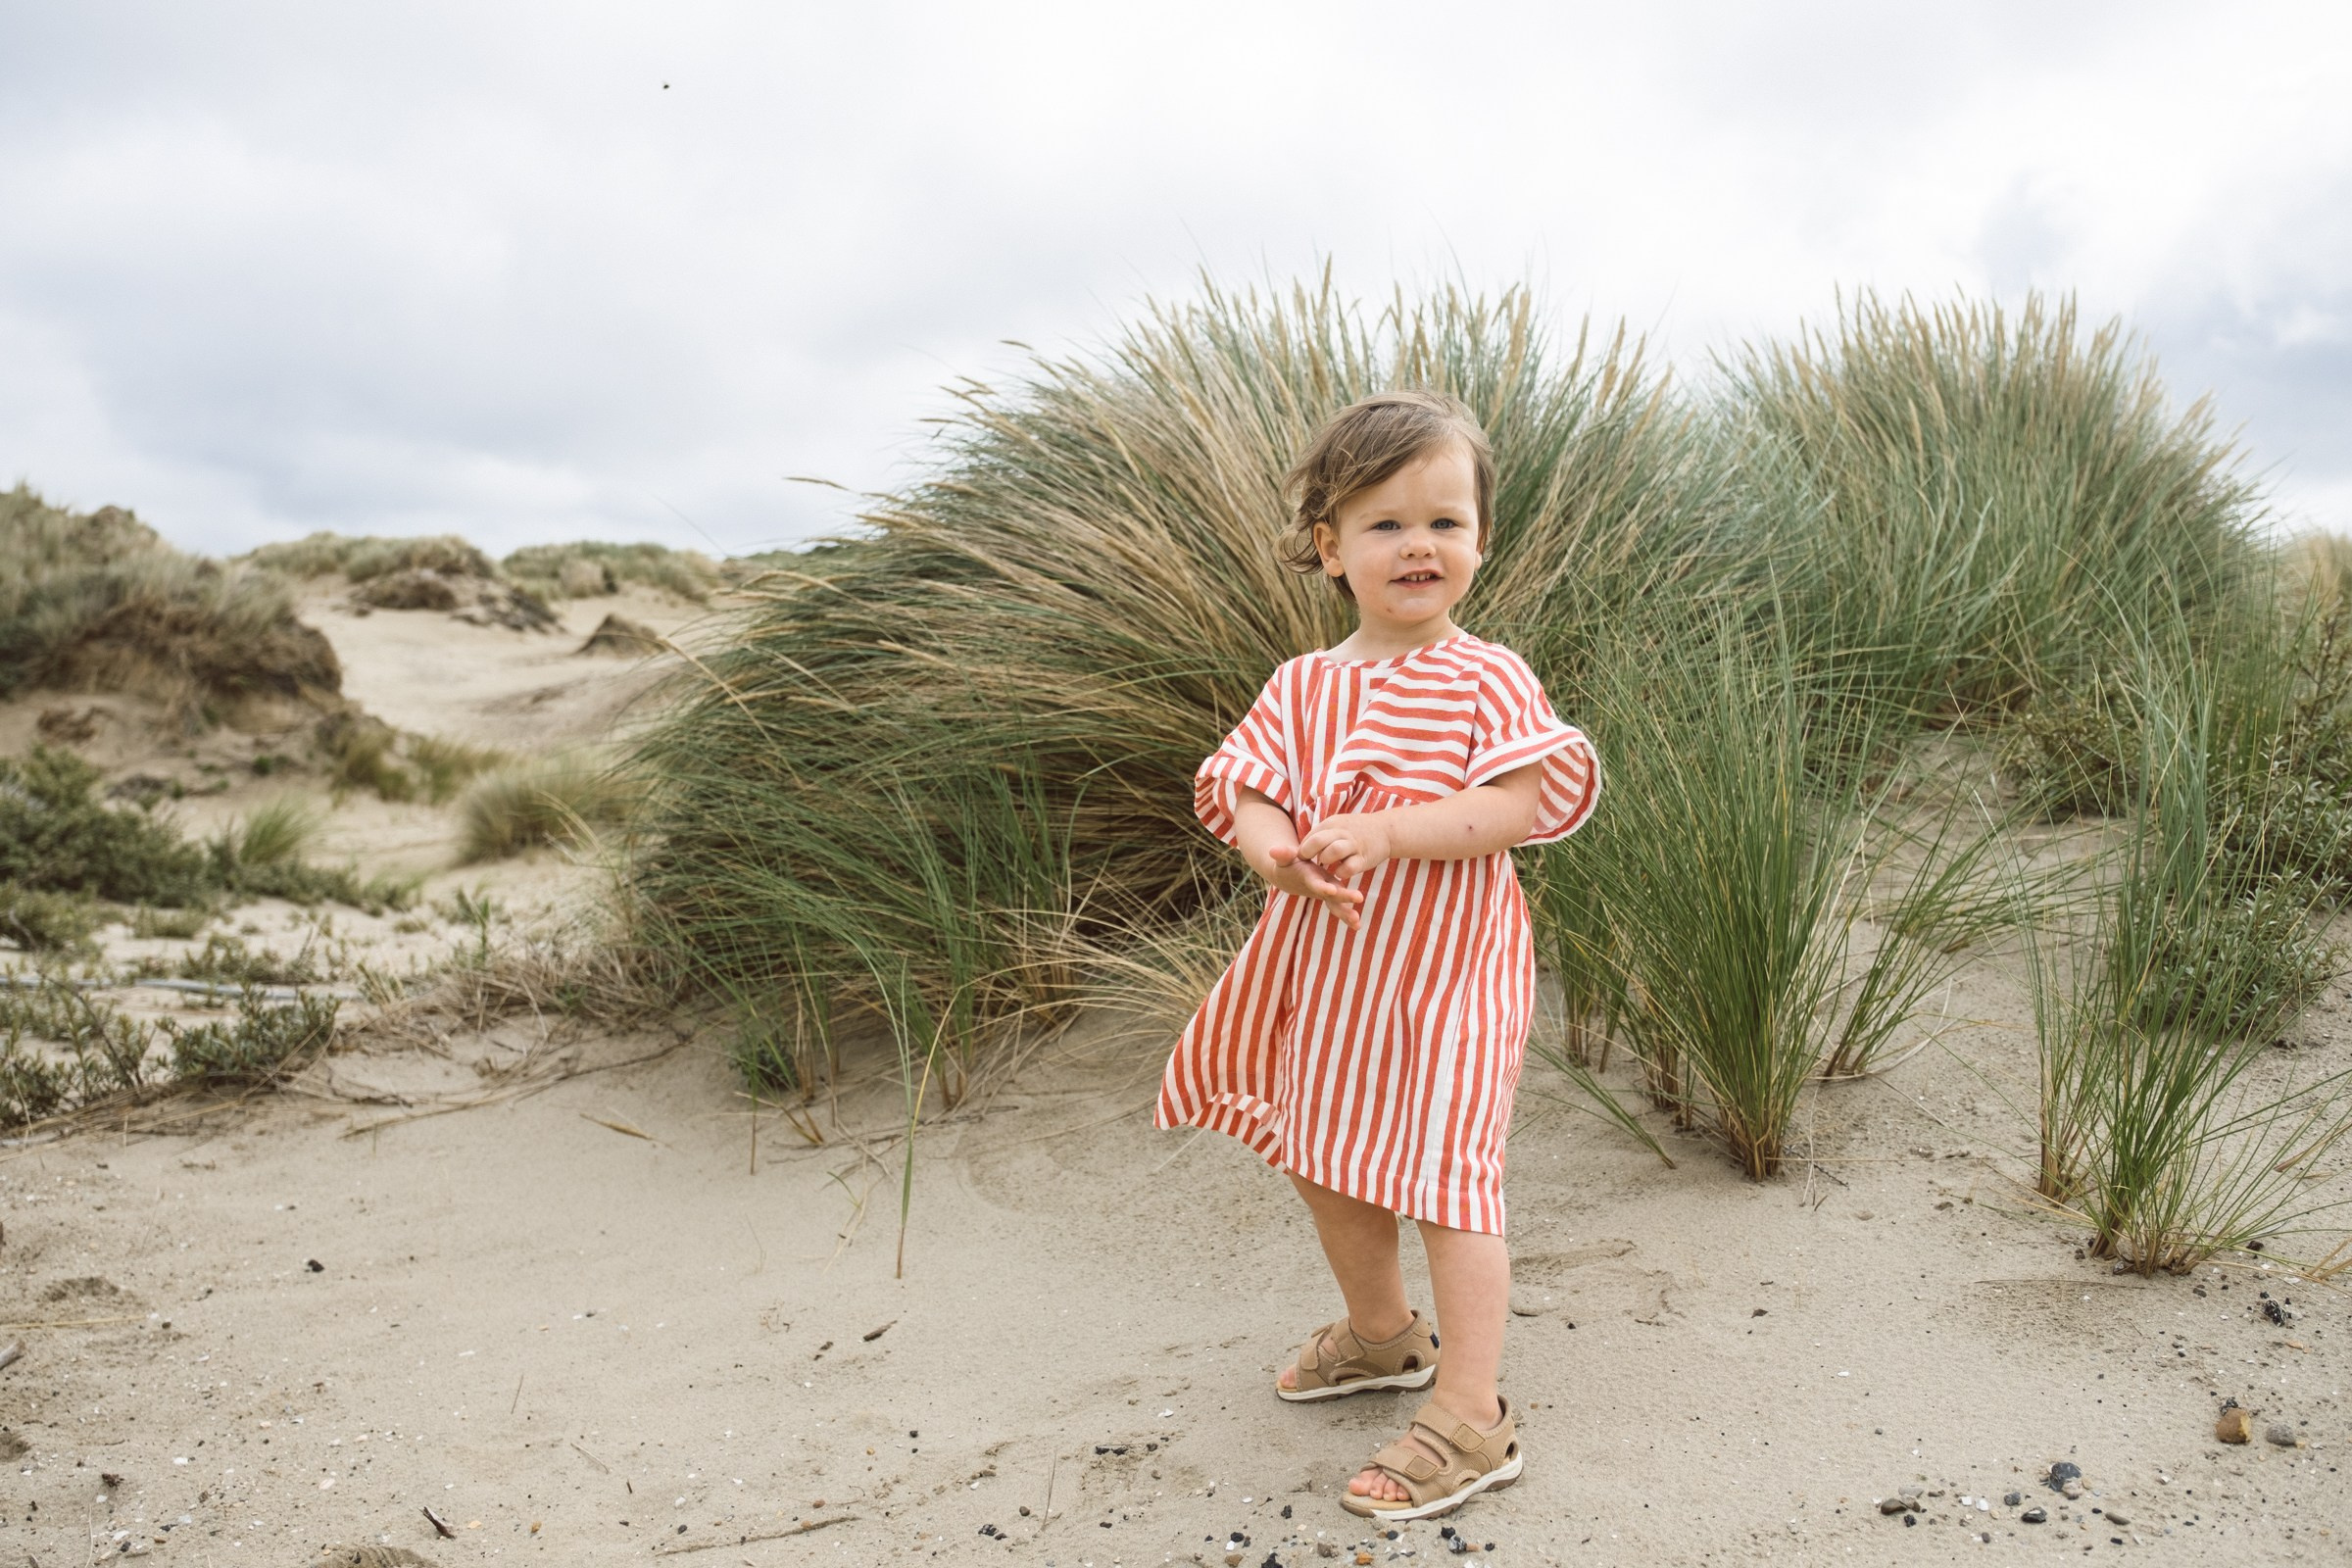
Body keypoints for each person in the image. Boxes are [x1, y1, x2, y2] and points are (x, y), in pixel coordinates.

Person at [1155, 389, 1599, 1522]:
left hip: (1451, 974)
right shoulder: (1304, 685)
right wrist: (1271, 855)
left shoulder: (1484, 676)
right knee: (1327, 1147)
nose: (1420, 546)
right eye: (1388, 524)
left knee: (1449, 1176)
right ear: (1331, 548)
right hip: (1335, 973)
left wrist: (1393, 827)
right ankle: (1382, 1332)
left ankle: (1469, 1408)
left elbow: (1517, 800)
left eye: (1446, 523)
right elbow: (1248, 783)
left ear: (1481, 543)